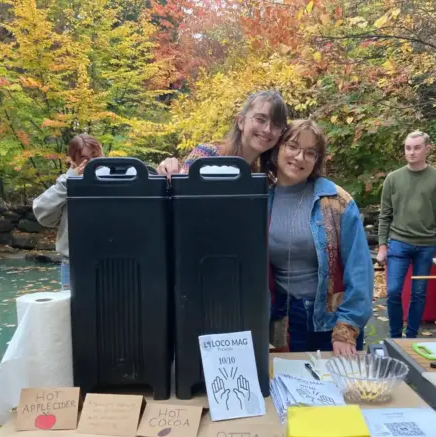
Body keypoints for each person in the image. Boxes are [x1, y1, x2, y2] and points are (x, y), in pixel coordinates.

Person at [268, 119, 373, 355]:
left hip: (331, 318)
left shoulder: (336, 201)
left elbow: (359, 269)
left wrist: (346, 327)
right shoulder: (261, 200)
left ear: (316, 160)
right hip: (282, 318)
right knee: (287, 387)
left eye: (310, 152)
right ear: (278, 148)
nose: (299, 157)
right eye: (292, 146)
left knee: (339, 388)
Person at [377, 130, 436, 338]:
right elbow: (384, 215)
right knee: (393, 292)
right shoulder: (393, 179)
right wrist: (382, 246)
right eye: (408, 148)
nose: (411, 152)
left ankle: (410, 337)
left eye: (417, 147)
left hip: (427, 245)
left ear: (427, 149)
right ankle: (395, 337)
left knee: (419, 293)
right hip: (399, 243)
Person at [33, 134, 134, 290]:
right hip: (74, 264)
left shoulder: (122, 177)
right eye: (85, 159)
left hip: (117, 261)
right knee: (75, 312)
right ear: (74, 161)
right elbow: (42, 213)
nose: (92, 163)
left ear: (102, 153)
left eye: (95, 156)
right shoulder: (66, 185)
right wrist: (69, 181)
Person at [157, 90, 288, 176]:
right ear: (241, 121)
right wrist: (168, 172)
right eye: (260, 119)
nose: (267, 129)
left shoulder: (263, 176)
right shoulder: (207, 155)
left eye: (276, 124)